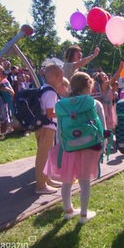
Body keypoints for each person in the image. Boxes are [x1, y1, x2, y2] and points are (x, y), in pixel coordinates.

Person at [43, 72, 107, 224]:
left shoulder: (62, 105)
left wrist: (61, 147)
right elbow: (102, 126)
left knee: (67, 180)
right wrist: (103, 145)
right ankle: (84, 215)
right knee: (84, 181)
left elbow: (60, 129)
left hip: (68, 147)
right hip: (89, 146)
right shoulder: (93, 103)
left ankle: (68, 211)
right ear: (89, 85)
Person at [34, 64, 65, 194]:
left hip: (43, 126)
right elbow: (50, 113)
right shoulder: (51, 92)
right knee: (43, 156)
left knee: (47, 155)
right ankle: (41, 185)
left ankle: (47, 179)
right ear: (57, 76)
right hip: (47, 127)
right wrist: (64, 113)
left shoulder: (43, 89)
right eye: (61, 77)